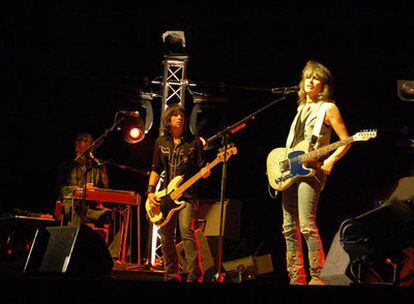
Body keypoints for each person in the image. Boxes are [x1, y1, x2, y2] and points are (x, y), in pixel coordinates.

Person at [281, 60, 351, 285]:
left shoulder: (328, 108)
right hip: (292, 170)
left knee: (307, 225)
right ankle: (296, 277)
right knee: (288, 227)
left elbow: (346, 140)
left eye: (315, 78)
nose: (310, 81)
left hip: (312, 171)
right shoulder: (300, 108)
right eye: (307, 77)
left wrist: (330, 160)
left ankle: (318, 276)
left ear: (323, 85)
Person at [146, 103, 210, 282]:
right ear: (169, 119)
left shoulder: (194, 142)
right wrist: (151, 192)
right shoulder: (161, 142)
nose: (180, 117)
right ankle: (171, 275)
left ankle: (195, 275)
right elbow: (156, 169)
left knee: (185, 230)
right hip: (166, 195)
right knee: (166, 235)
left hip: (187, 195)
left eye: (182, 115)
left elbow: (202, 168)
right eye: (175, 115)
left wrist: (206, 172)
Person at [56, 132, 111, 227]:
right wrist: (79, 190)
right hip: (71, 205)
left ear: (90, 152)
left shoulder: (98, 167)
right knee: (77, 209)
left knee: (113, 215)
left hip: (93, 206)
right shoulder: (67, 166)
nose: (77, 155)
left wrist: (94, 191)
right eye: (76, 151)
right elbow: (60, 188)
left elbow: (105, 192)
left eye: (81, 152)